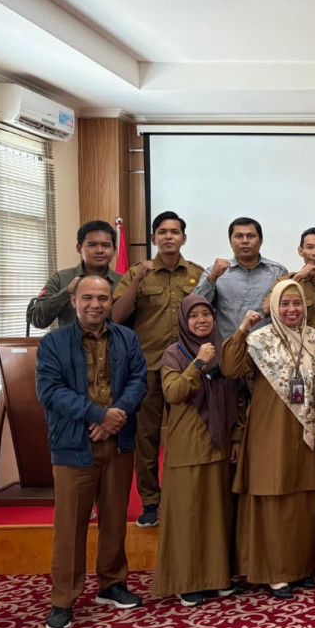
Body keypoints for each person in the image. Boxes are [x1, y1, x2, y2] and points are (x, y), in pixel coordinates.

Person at [36, 276, 148, 628]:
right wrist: (99, 415)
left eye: (102, 297)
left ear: (110, 301)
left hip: (119, 442)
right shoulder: (53, 342)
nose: (95, 304)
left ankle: (112, 584)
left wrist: (115, 417)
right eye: (88, 298)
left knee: (114, 518)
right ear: (73, 300)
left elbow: (138, 381)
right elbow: (51, 391)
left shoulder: (127, 338)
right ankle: (63, 599)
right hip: (74, 443)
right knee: (70, 525)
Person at [221, 280, 315, 599]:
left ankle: (301, 567)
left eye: (297, 303)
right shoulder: (259, 340)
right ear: (273, 307)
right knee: (274, 496)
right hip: (270, 430)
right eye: (284, 304)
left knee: (305, 498)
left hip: (309, 430)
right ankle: (275, 572)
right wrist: (242, 329)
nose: (291, 310)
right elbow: (230, 368)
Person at [111, 211, 204, 528]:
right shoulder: (137, 272)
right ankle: (150, 502)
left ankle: (181, 498)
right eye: (162, 232)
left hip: (187, 368)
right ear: (153, 238)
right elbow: (117, 317)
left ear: (183, 238)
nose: (168, 237)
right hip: (148, 367)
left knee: (187, 436)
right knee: (147, 438)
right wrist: (137, 280)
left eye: (174, 232)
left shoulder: (197, 274)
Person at [151, 294, 244, 607]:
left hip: (219, 446)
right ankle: (188, 582)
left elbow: (236, 398)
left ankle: (217, 577)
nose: (201, 320)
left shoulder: (222, 350)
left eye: (206, 314)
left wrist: (236, 438)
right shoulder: (174, 353)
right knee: (188, 517)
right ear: (183, 321)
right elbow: (174, 392)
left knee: (217, 516)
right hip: (187, 449)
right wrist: (198, 363)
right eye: (194, 316)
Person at [195, 217, 288, 339]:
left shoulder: (277, 272)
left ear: (261, 241)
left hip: (269, 347)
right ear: (230, 242)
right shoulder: (215, 271)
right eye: (239, 236)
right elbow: (195, 307)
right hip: (228, 346)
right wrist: (212, 278)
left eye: (251, 236)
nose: (245, 241)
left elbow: (287, 311)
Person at [29, 220, 122, 330]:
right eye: (92, 245)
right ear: (79, 248)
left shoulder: (122, 282)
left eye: (105, 245)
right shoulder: (60, 279)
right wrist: (67, 291)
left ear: (114, 250)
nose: (99, 250)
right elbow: (37, 319)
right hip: (69, 341)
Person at [262, 227, 315, 348]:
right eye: (310, 247)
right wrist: (298, 277)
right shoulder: (286, 280)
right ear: (300, 251)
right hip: (298, 351)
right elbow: (266, 309)